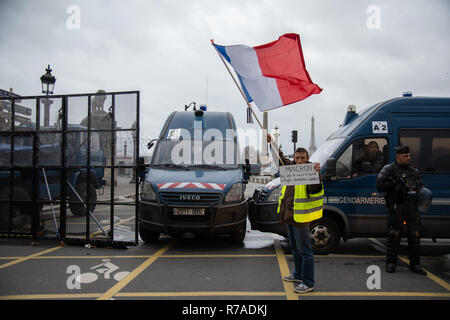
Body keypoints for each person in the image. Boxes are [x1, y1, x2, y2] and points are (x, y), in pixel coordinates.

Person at [267, 134, 323, 293]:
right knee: (295, 248)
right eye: (297, 158)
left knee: (305, 250)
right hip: (290, 217)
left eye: (302, 158)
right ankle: (298, 274)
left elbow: (316, 189)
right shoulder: (291, 170)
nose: (299, 161)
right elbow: (280, 158)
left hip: (301, 218)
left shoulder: (311, 173)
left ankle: (308, 282)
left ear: (307, 158)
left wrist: (317, 174)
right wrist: (272, 144)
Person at [376, 145, 427, 275]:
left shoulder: (413, 171)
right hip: (397, 206)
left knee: (414, 236)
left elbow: (420, 186)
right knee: (394, 236)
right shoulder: (389, 169)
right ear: (398, 156)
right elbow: (380, 186)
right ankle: (391, 263)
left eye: (409, 155)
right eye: (406, 156)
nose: (408, 158)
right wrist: (395, 184)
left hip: (412, 208)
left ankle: (415, 264)